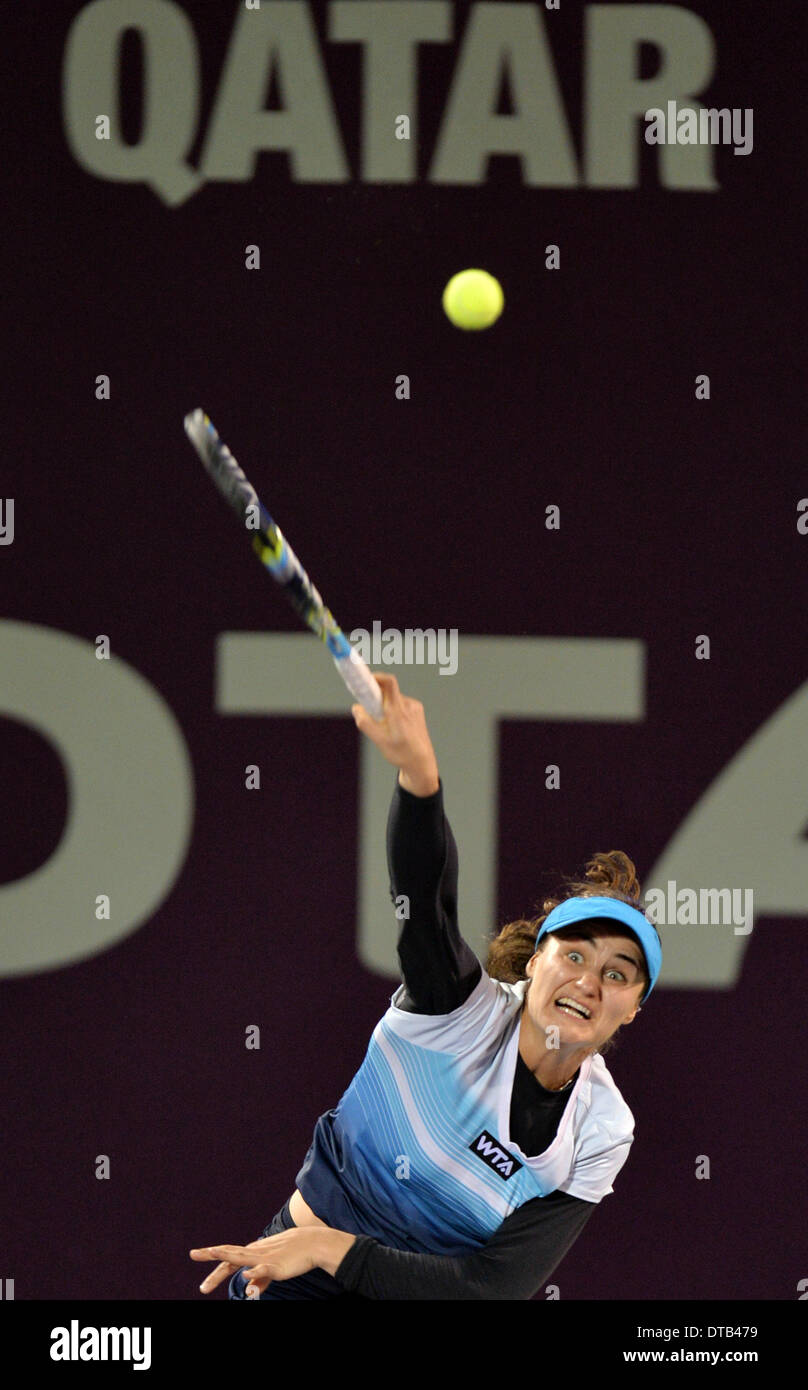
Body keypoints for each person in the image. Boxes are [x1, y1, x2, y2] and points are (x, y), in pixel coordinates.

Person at [190, 673, 662, 1300]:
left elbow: (493, 1290)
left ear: (632, 1008)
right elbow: (424, 896)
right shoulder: (458, 1010)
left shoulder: (602, 1128)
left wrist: (336, 1251)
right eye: (573, 954)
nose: (589, 981)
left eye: (616, 973)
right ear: (532, 965)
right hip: (290, 1288)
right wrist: (418, 777)